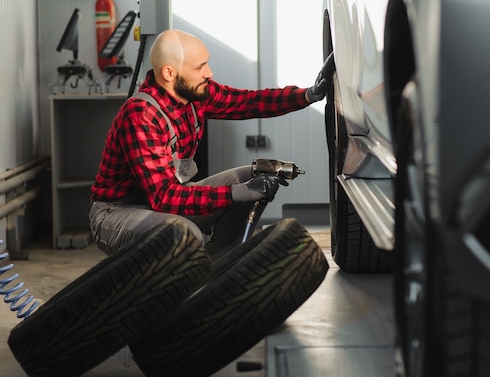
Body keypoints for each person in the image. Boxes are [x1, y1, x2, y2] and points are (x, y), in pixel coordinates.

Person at [89, 29, 334, 258]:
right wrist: (240, 192)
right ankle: (168, 296)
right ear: (169, 73)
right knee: (184, 234)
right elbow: (164, 197)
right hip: (117, 214)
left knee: (254, 175)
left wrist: (307, 95)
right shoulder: (142, 115)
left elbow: (249, 102)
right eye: (200, 67)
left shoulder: (195, 95)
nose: (209, 73)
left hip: (162, 207)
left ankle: (219, 269)